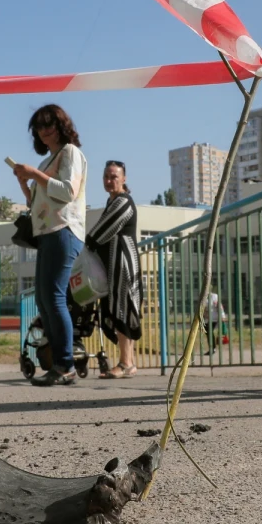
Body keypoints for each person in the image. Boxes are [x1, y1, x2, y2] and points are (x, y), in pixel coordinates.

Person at [13, 104, 88, 386]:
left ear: (61, 124)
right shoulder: (48, 161)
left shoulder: (70, 152)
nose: (44, 131)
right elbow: (36, 203)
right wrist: (26, 181)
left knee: (54, 298)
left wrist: (34, 174)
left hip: (64, 229)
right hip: (48, 231)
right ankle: (59, 363)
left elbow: (67, 191)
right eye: (39, 127)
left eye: (49, 125)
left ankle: (65, 364)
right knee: (44, 300)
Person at [85, 161, 143, 379]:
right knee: (122, 311)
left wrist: (85, 245)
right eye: (106, 177)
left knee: (123, 311)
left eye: (114, 177)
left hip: (123, 266)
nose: (109, 181)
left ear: (124, 179)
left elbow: (101, 232)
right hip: (115, 266)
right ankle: (129, 362)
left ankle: (126, 363)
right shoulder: (112, 201)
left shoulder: (123, 201)